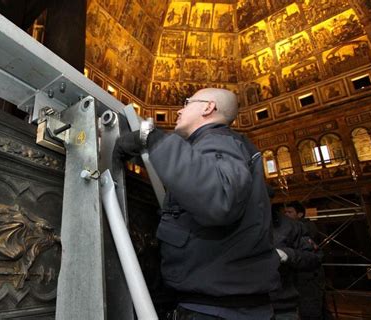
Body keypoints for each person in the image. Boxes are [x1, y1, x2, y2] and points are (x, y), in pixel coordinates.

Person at [114, 88, 280, 319]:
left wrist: (151, 138)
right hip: (222, 305)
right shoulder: (213, 147)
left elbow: (219, 199)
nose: (180, 109)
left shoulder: (219, 142)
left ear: (207, 107)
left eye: (187, 102)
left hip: (218, 310)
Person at [268, 197, 321, 320]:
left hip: (282, 306)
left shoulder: (292, 226)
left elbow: (315, 257)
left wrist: (287, 255)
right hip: (241, 307)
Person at [284, 202, 329, 320]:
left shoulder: (304, 228)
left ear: (300, 214)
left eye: (290, 212)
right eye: (285, 212)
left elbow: (313, 255)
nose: (286, 215)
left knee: (311, 310)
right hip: (305, 277)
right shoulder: (296, 228)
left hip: (308, 278)